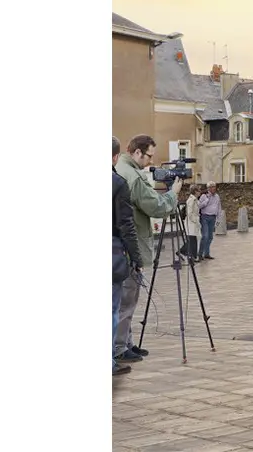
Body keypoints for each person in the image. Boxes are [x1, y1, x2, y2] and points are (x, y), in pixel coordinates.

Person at [113, 134, 180, 364]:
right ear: (137, 152)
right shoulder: (132, 176)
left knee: (125, 299)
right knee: (127, 299)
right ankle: (120, 347)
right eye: (149, 155)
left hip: (122, 247)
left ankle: (125, 342)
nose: (151, 161)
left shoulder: (122, 169)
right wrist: (173, 194)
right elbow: (155, 206)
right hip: (131, 247)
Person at [112, 137, 144, 377]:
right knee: (113, 308)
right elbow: (126, 225)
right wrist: (136, 257)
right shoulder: (117, 183)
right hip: (112, 252)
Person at [197, 182, 220, 260]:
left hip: (213, 218)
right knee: (205, 236)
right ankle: (200, 254)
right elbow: (199, 206)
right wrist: (206, 200)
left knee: (210, 237)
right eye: (212, 187)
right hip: (205, 217)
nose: (214, 188)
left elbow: (218, 207)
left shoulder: (217, 196)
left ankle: (206, 253)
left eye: (215, 186)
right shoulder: (204, 196)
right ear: (208, 188)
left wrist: (218, 218)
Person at [183, 183, 201, 259]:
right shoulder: (191, 200)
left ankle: (189, 254)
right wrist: (195, 220)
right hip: (191, 222)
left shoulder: (195, 200)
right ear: (195, 191)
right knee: (192, 239)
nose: (200, 192)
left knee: (193, 239)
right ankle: (192, 256)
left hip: (194, 222)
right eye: (199, 190)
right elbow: (189, 213)